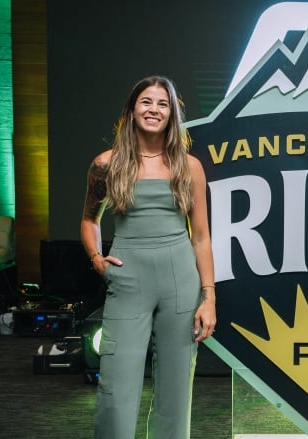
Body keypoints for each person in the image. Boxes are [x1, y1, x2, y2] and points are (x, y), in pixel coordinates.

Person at [80, 75, 216, 439]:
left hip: (180, 278)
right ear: (131, 110)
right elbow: (89, 220)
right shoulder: (106, 164)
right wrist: (96, 257)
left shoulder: (190, 167)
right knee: (117, 383)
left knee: (176, 385)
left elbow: (201, 237)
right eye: (146, 101)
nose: (154, 109)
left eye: (162, 104)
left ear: (172, 115)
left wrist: (209, 297)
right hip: (128, 276)